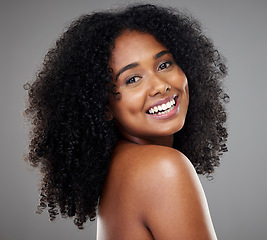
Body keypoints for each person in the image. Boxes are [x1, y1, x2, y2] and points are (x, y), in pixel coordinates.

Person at [24, 3, 228, 239]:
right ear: (104, 106)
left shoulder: (122, 165)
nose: (160, 85)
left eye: (164, 64)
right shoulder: (161, 168)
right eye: (132, 79)